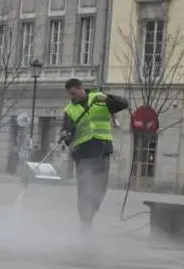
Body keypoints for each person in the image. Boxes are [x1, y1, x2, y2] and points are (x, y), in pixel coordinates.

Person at [60, 78, 128, 234]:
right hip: (83, 153)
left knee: (100, 188)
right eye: (70, 94)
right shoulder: (70, 110)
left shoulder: (99, 99)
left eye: (73, 93)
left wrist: (108, 98)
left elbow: (124, 103)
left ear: (81, 88)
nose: (72, 97)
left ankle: (89, 215)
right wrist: (66, 135)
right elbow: (67, 128)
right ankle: (85, 222)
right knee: (84, 188)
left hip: (102, 150)